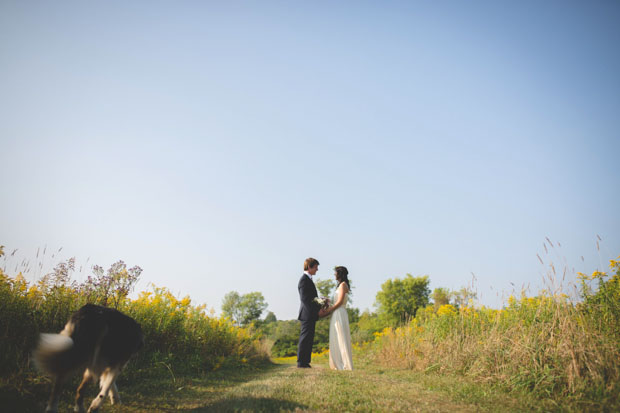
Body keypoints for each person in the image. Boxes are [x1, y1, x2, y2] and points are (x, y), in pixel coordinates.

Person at [297, 257, 326, 368]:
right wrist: (317, 311)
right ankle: (301, 362)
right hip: (307, 314)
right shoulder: (304, 280)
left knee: (309, 338)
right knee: (305, 339)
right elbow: (305, 300)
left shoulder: (308, 279)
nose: (317, 269)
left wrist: (321, 301)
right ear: (309, 267)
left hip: (310, 314)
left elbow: (312, 298)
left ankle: (305, 362)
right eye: (315, 267)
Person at [324, 266, 353, 370]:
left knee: (341, 337)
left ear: (340, 274)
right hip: (337, 312)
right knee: (336, 337)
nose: (334, 275)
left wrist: (329, 310)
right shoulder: (340, 285)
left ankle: (344, 364)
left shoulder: (343, 285)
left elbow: (340, 302)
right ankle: (337, 363)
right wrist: (327, 302)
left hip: (340, 313)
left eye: (335, 273)